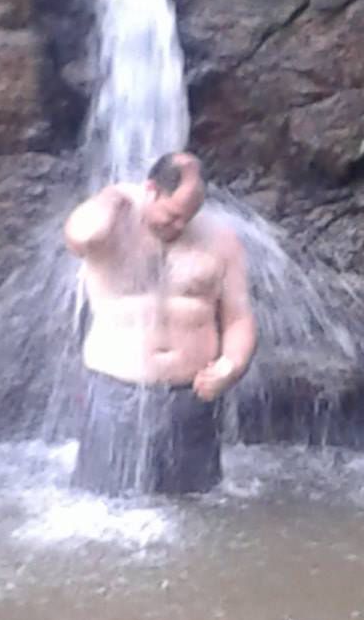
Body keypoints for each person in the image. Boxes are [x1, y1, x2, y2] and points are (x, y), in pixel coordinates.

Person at [64, 152, 257, 495]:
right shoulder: (111, 223)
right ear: (151, 189)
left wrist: (231, 366)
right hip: (115, 393)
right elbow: (80, 238)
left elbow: (239, 318)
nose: (179, 227)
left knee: (196, 508)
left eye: (189, 217)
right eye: (172, 215)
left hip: (191, 399)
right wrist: (112, 198)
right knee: (103, 505)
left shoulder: (222, 240)